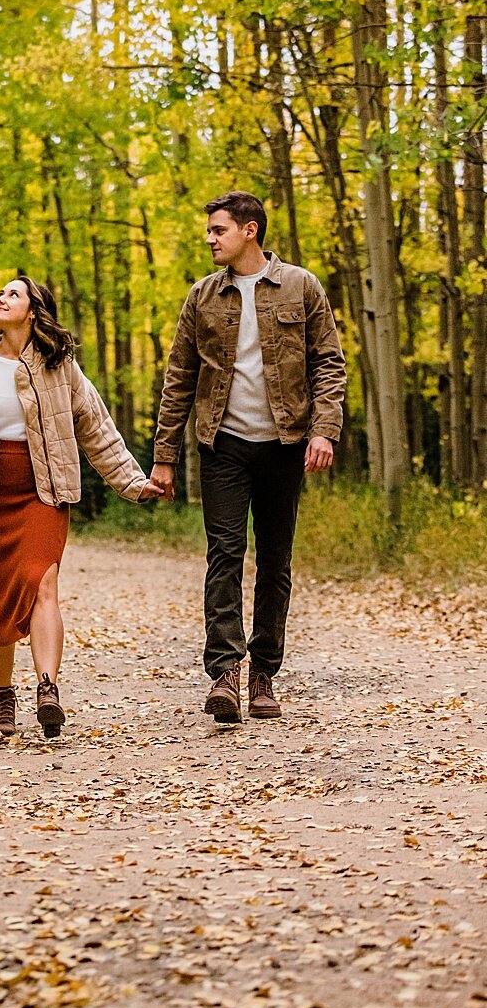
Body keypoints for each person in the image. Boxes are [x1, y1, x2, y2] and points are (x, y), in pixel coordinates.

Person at [0, 276, 163, 740]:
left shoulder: (60, 366)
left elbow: (96, 428)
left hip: (43, 492)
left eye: (12, 294)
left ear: (33, 311)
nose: (1, 298)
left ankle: (47, 688)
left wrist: (134, 483)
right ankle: (2, 695)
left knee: (44, 582)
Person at [149, 191, 346, 723]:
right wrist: (164, 456)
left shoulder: (301, 286)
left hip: (285, 444)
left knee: (275, 560)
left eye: (218, 230)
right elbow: (179, 378)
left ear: (250, 230)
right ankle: (225, 674)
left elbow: (328, 363)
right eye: (209, 231)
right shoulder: (202, 295)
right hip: (224, 445)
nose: (210, 239)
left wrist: (323, 431)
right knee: (225, 553)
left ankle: (264, 674)